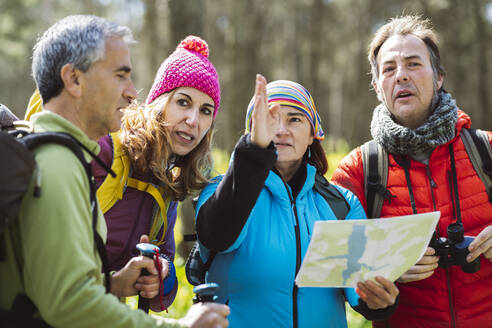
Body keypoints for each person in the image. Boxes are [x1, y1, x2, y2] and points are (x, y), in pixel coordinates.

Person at [0, 15, 229, 328]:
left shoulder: (166, 181)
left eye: (206, 111)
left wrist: (141, 278)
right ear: (74, 80)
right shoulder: (70, 159)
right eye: (120, 76)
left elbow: (60, 282)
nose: (133, 91)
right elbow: (69, 302)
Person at [194, 76, 399, 327]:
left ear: (313, 133)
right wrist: (254, 151)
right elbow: (217, 237)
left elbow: (357, 285)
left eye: (294, 119)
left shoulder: (342, 205)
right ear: (253, 130)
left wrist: (375, 298)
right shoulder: (219, 192)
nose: (281, 130)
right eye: (271, 119)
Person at [331, 15, 492, 327]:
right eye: (389, 69)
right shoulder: (359, 169)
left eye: (414, 64)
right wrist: (384, 270)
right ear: (378, 86)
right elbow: (339, 268)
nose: (401, 76)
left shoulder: (486, 149)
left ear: (439, 77)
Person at [92, 35, 220, 311]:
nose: (194, 120)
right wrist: (112, 283)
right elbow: (47, 254)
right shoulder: (105, 149)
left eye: (206, 110)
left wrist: (161, 274)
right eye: (183, 102)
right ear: (158, 101)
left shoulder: (165, 183)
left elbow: (162, 298)